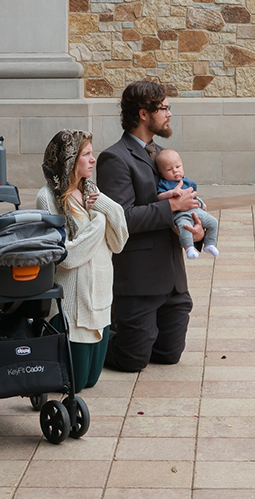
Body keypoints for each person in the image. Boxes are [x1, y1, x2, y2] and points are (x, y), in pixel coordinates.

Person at [96, 81, 205, 373]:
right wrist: (171, 207)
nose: (169, 113)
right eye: (164, 108)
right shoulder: (114, 158)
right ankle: (88, 341)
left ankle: (142, 332)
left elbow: (182, 207)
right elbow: (122, 219)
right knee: (133, 361)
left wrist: (196, 233)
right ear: (144, 114)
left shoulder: (162, 154)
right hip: (138, 282)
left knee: (169, 355)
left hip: (172, 281)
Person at [36, 129, 128, 392]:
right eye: (86, 154)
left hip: (99, 301)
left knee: (89, 382)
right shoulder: (47, 197)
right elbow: (66, 256)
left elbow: (119, 243)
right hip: (72, 307)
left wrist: (109, 208)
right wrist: (99, 222)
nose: (93, 159)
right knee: (73, 385)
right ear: (69, 160)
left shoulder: (91, 192)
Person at [156, 148, 219, 260]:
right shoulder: (164, 184)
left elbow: (193, 195)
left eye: (178, 167)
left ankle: (209, 244)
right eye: (169, 169)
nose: (175, 171)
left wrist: (200, 203)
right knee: (184, 227)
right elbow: (159, 197)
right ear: (161, 173)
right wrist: (170, 193)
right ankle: (189, 248)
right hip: (180, 214)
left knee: (213, 222)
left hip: (196, 210)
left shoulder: (186, 181)